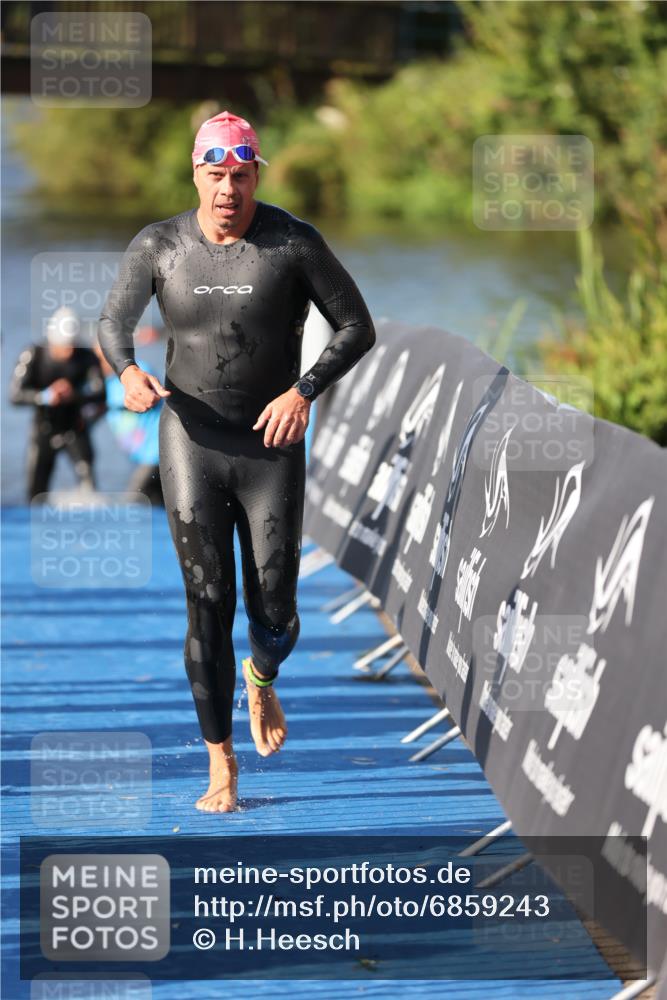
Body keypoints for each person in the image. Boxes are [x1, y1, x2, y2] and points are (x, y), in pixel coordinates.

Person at [98, 110, 375, 813]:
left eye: (242, 176)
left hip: (269, 446)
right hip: (190, 440)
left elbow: (356, 326)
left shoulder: (291, 242)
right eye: (216, 175)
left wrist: (303, 391)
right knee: (207, 602)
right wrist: (127, 371)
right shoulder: (159, 245)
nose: (229, 189)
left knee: (275, 610)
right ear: (196, 174)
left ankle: (262, 676)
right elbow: (112, 323)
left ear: (256, 176)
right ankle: (220, 764)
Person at [10, 306, 105, 501]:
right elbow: (15, 395)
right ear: (51, 338)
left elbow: (100, 393)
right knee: (35, 495)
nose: (68, 351)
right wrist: (46, 396)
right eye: (63, 346)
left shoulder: (87, 356)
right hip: (43, 430)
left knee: (90, 489)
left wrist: (74, 395)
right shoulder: (33, 354)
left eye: (72, 346)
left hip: (75, 428)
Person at [92, 341, 163, 505]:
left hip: (156, 454)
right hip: (140, 457)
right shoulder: (104, 383)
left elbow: (154, 397)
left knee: (133, 502)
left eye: (103, 358)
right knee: (159, 505)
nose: (99, 364)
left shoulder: (139, 373)